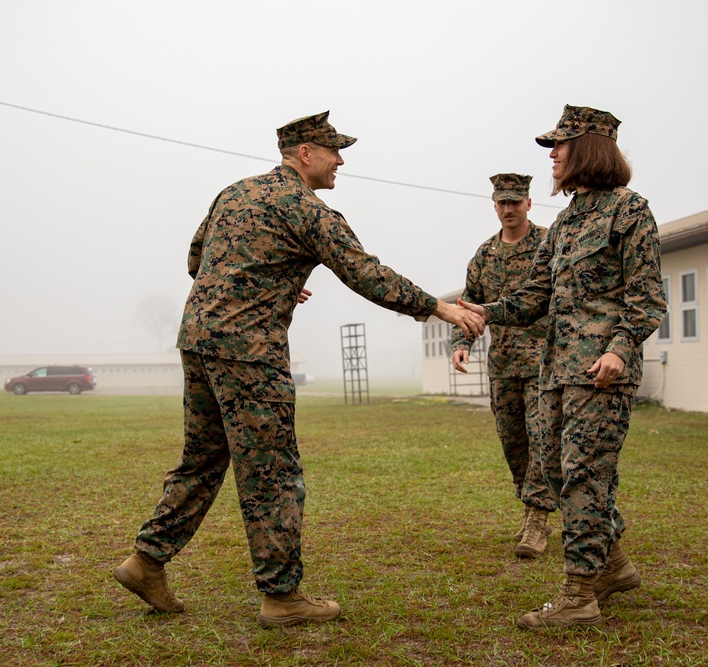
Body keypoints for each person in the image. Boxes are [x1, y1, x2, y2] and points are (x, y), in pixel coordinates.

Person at [113, 111, 484, 627]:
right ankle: (282, 596)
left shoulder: (235, 193)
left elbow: (199, 258)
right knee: (272, 471)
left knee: (202, 458)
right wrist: (437, 307)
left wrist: (266, 275)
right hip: (248, 351)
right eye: (334, 150)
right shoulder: (309, 210)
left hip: (198, 340)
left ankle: (146, 560)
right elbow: (365, 273)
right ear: (305, 153)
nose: (341, 161)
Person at [458, 105, 666, 630]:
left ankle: (580, 594)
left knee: (584, 474)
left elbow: (646, 300)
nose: (552, 155)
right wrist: (485, 311)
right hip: (555, 370)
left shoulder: (630, 211)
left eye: (560, 145)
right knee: (553, 472)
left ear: (588, 149)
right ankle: (614, 566)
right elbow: (539, 292)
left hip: (601, 372)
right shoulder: (569, 220)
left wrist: (620, 349)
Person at [450, 173, 556, 559]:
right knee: (515, 444)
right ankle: (531, 505)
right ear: (495, 206)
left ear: (529, 203)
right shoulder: (484, 255)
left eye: (516, 201)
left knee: (543, 437)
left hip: (547, 363)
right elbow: (470, 304)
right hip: (504, 365)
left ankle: (537, 521)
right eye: (502, 203)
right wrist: (463, 344)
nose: (509, 209)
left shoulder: (549, 244)